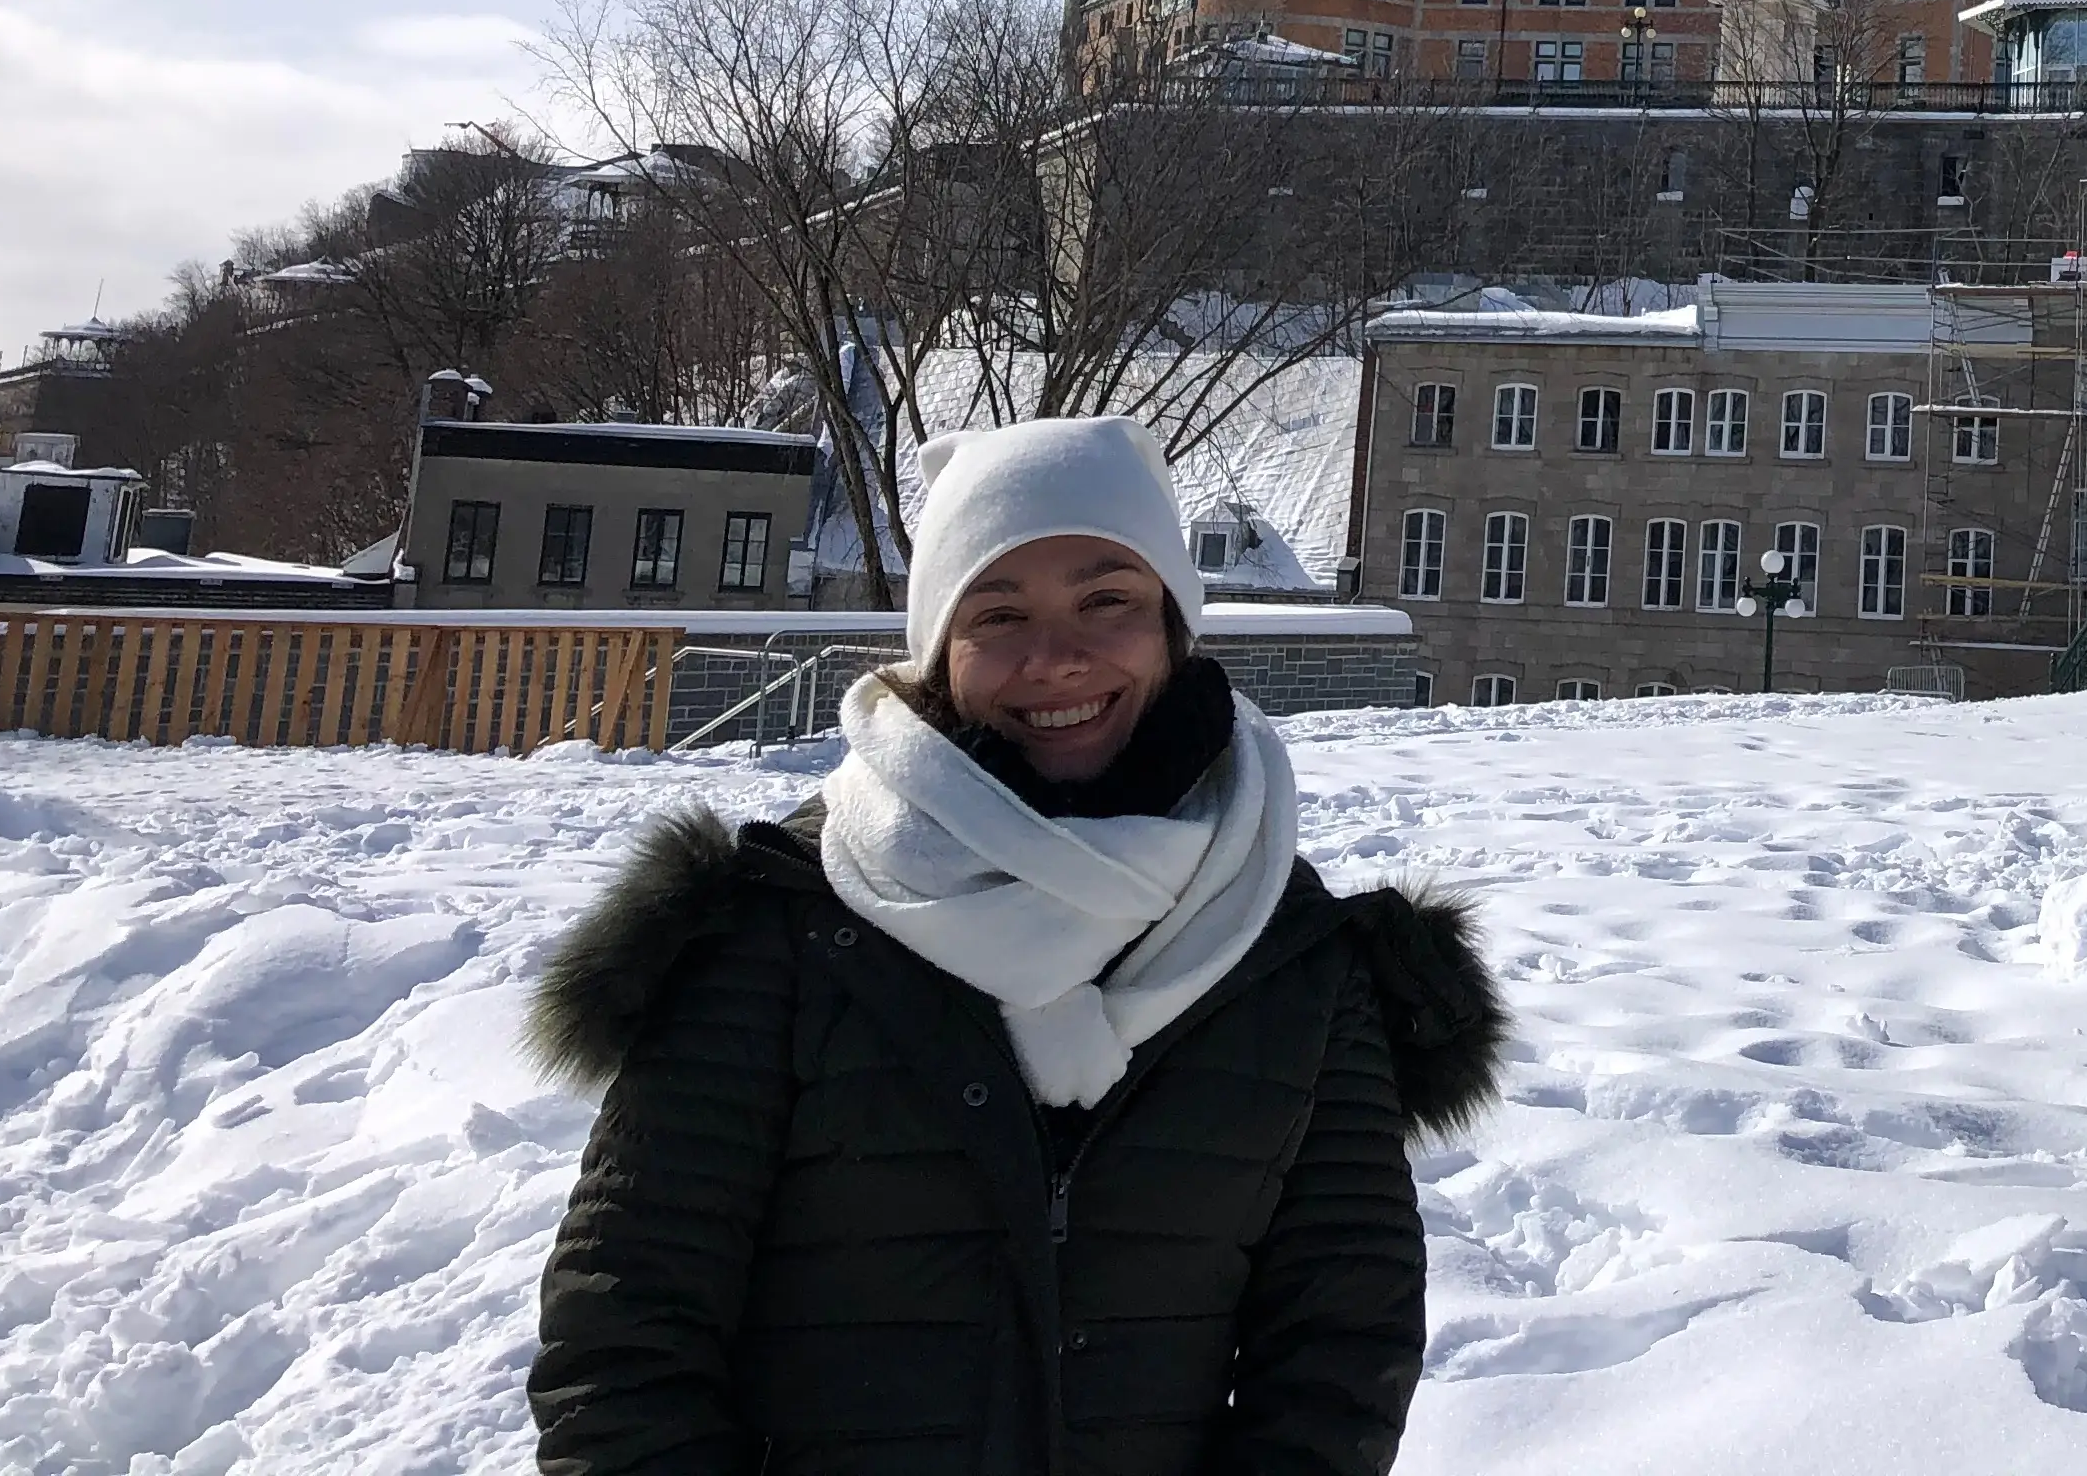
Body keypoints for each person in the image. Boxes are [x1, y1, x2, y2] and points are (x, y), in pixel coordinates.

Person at [524, 415, 1502, 1476]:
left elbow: (1337, 1353)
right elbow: (625, 1345)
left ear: (1175, 623)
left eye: (1108, 600)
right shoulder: (775, 928)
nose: (1057, 657)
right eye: (998, 612)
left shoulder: (1295, 953)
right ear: (940, 651)